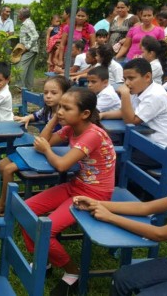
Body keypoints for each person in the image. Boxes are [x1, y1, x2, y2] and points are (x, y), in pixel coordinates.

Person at [74, 142, 167, 296]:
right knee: (122, 278)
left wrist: (110, 217)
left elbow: (159, 234)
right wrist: (97, 204)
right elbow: (146, 208)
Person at [21, 87, 116, 295]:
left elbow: (62, 165)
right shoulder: (72, 128)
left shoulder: (92, 134)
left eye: (66, 108)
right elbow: (45, 140)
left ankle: (73, 273)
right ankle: (43, 262)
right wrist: (55, 119)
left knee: (48, 229)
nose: (60, 111)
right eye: (59, 107)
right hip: (77, 186)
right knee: (25, 211)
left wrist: (46, 150)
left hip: (95, 194)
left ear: (85, 114)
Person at [0, 76, 72, 216]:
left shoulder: (65, 118)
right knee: (1, 164)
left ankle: (4, 204)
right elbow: (36, 115)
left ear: (66, 95)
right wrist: (27, 118)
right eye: (46, 92)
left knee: (8, 169)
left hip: (54, 154)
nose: (48, 96)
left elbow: (47, 142)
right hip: (40, 149)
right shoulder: (48, 110)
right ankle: (10, 197)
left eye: (54, 93)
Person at [100, 58, 167, 168]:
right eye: (125, 79)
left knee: (115, 161)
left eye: (131, 78)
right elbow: (125, 112)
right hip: (145, 141)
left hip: (163, 149)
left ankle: (128, 184)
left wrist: (125, 94)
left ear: (147, 77)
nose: (127, 83)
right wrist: (103, 115)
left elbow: (131, 121)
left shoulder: (155, 95)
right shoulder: (137, 89)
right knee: (108, 142)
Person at [17, 7, 39, 90]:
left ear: (22, 15)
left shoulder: (27, 23)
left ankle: (20, 86)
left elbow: (35, 35)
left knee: (20, 66)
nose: (18, 15)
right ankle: (29, 88)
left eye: (19, 13)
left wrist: (27, 47)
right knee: (29, 69)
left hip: (30, 50)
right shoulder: (26, 22)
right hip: (31, 49)